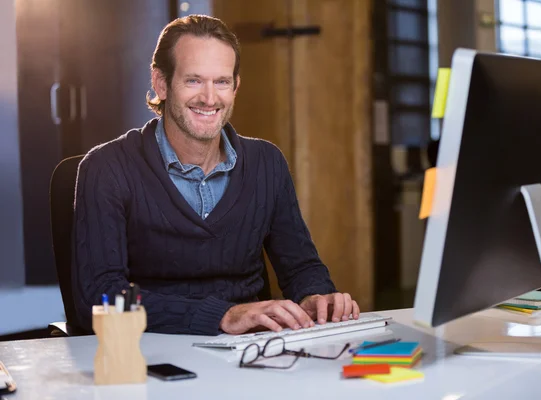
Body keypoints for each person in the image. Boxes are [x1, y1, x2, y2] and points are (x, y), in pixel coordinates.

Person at [71, 14, 360, 336]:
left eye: (221, 82)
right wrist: (223, 315)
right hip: (148, 354)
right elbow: (100, 298)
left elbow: (301, 266)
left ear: (235, 87)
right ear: (161, 83)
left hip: (249, 354)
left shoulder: (267, 162)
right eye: (193, 80)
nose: (209, 98)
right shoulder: (107, 168)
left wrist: (315, 297)